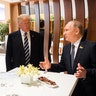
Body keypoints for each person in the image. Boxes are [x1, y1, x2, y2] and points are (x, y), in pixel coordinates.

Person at [39, 20, 96, 96]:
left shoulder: (91, 47)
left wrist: (86, 73)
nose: (64, 33)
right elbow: (63, 66)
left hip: (87, 91)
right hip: (71, 89)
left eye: (66, 30)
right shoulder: (66, 48)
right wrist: (50, 66)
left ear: (76, 31)